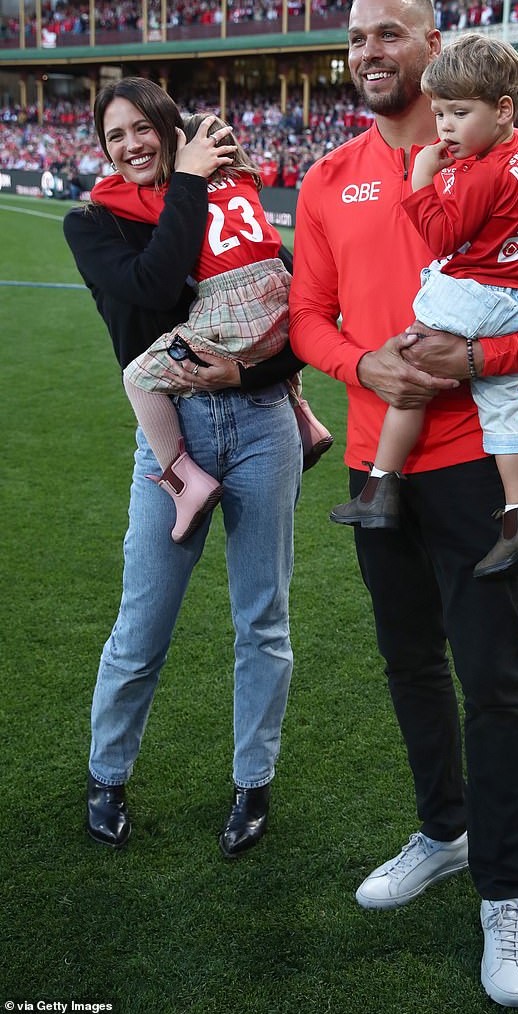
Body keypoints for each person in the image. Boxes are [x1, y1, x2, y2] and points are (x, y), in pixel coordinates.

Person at [289, 0, 518, 1009]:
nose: (368, 50)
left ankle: (502, 894)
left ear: (435, 48)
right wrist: (357, 365)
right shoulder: (329, 175)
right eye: (355, 37)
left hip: (477, 466)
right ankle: (443, 830)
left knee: (494, 680)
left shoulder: (513, 166)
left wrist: (484, 351)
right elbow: (306, 313)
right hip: (376, 466)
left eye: (389, 33)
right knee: (408, 663)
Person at [64, 76, 304, 860]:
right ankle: (107, 776)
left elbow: (291, 320)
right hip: (173, 440)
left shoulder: (224, 206)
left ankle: (252, 785)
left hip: (261, 423)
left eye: (143, 128)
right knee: (142, 624)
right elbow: (155, 287)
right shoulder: (94, 223)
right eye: (114, 136)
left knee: (262, 620)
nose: (130, 145)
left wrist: (248, 378)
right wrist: (192, 182)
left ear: (171, 127)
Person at [329, 33, 518, 579]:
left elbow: (441, 236)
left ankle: (381, 486)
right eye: (439, 112)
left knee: (410, 370)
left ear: (502, 109)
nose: (445, 126)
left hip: (471, 293)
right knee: (505, 405)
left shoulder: (480, 171)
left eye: (457, 112)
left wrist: (421, 181)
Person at [91, 112, 332, 543]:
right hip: (278, 281)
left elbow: (107, 191)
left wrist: (183, 170)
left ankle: (183, 482)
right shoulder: (245, 179)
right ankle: (303, 417)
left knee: (138, 378)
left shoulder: (176, 191)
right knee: (275, 335)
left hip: (230, 298)